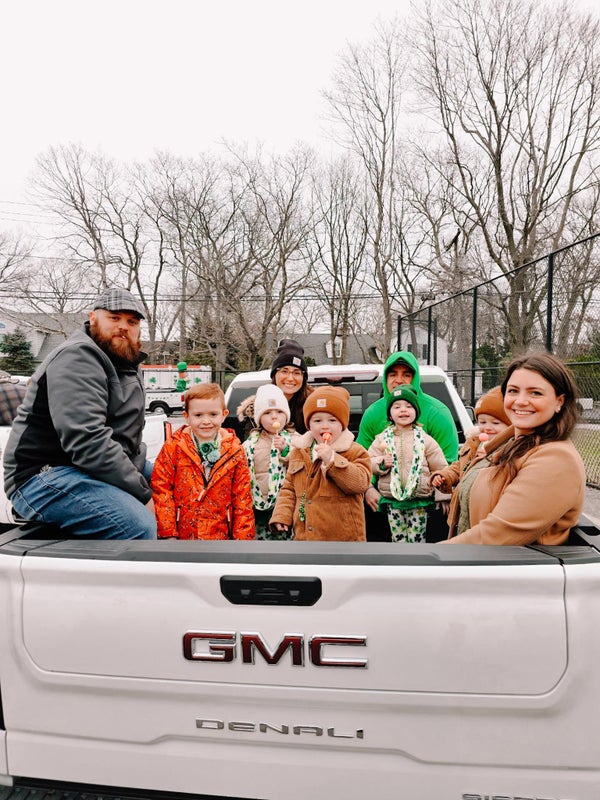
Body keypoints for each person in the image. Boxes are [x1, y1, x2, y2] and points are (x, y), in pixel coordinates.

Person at [3, 287, 156, 539]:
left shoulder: (124, 362)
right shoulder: (78, 356)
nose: (124, 327)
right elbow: (88, 440)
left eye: (132, 321)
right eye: (114, 318)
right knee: (138, 526)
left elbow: (127, 437)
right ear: (93, 317)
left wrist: (150, 480)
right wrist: (143, 494)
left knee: (177, 481)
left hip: (84, 467)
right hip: (43, 474)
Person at [445, 351, 585, 546]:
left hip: (509, 571)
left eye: (535, 392)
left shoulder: (556, 459)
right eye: (512, 391)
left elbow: (495, 534)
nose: (520, 400)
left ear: (559, 402)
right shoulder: (511, 443)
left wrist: (426, 564)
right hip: (477, 564)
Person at [356, 351, 459, 542]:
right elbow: (361, 458)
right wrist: (368, 488)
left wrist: (443, 494)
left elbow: (447, 462)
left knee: (420, 546)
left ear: (416, 377)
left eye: (407, 374)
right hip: (384, 502)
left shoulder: (437, 413)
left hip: (425, 502)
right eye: (393, 374)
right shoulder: (373, 413)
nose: (399, 380)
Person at [152, 382, 255, 540]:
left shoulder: (235, 451)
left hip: (221, 536)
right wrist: (167, 533)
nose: (206, 421)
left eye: (213, 414)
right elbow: (162, 488)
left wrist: (242, 540)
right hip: (184, 535)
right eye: (198, 415)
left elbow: (242, 498)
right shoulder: (174, 446)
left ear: (224, 414)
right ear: (187, 416)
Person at [270, 386, 371, 541]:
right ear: (309, 424)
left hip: (344, 540)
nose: (325, 426)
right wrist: (282, 515)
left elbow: (360, 483)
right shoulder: (299, 450)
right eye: (317, 420)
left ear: (343, 424)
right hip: (305, 537)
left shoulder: (354, 451)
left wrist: (332, 460)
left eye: (332, 420)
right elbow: (289, 488)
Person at [368, 386, 447, 542]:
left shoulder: (425, 440)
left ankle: (416, 565)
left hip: (419, 500)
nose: (403, 410)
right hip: (393, 501)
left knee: (417, 539)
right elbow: (368, 462)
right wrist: (381, 463)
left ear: (416, 412)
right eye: (397, 407)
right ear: (390, 414)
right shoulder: (382, 439)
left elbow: (441, 468)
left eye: (409, 406)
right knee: (398, 539)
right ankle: (400, 565)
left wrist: (443, 496)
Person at [431, 386, 511, 538]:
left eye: (495, 423)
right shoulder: (473, 443)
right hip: (461, 513)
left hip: (484, 515)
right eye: (482, 422)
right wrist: (444, 476)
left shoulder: (509, 450)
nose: (487, 428)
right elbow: (458, 466)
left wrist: (486, 459)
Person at [241, 384, 294, 540]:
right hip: (257, 507)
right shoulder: (250, 444)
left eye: (279, 412)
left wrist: (285, 450)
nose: (274, 417)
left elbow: (301, 464)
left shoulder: (296, 440)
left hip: (284, 505)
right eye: (267, 413)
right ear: (259, 418)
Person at [238, 339, 313, 439]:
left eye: (296, 373)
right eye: (284, 371)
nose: (290, 378)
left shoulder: (312, 407)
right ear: (274, 374)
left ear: (303, 378)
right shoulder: (255, 409)